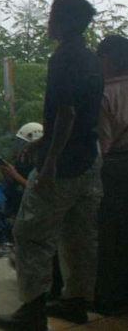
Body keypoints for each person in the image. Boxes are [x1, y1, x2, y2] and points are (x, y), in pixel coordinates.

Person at [0, 0, 104, 331]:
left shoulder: (62, 59)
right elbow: (80, 115)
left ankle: (32, 310)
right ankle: (75, 302)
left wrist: (50, 161)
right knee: (78, 234)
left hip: (64, 165)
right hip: (89, 160)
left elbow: (67, 111)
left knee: (29, 233)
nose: (48, 21)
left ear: (66, 23)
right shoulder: (92, 58)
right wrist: (43, 139)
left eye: (53, 15)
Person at [94, 34, 128, 314]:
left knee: (111, 237)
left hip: (115, 170)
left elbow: (102, 145)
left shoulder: (104, 93)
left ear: (108, 61)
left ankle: (110, 299)